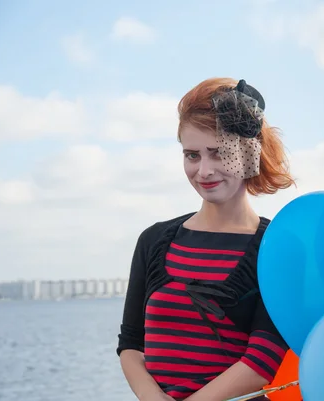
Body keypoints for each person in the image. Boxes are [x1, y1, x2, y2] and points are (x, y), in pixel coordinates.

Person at [116, 77, 295, 401]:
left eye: (217, 153)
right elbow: (131, 343)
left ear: (248, 153)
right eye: (192, 155)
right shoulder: (153, 240)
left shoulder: (274, 246)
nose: (204, 170)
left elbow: (263, 359)